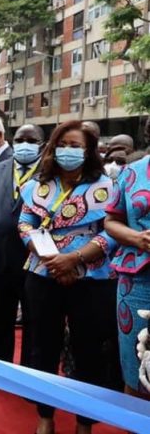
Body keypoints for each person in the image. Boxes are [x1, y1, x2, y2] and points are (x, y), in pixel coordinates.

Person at [17, 120, 121, 434]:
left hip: (92, 277)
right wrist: (51, 259)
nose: (68, 151)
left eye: (76, 146)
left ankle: (84, 422)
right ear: (53, 147)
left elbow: (112, 232)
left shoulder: (108, 186)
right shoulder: (37, 185)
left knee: (88, 350)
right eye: (63, 144)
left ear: (89, 151)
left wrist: (74, 259)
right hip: (42, 272)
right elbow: (24, 224)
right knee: (42, 347)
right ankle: (45, 416)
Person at [0, 124, 44, 368]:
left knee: (34, 320)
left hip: (35, 259)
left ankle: (29, 374)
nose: (24, 144)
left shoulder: (51, 172)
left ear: (42, 144)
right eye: (19, 139)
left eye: (31, 140)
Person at [104, 118, 150, 399]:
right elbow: (111, 221)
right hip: (138, 286)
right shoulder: (132, 173)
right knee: (137, 371)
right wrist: (138, 239)